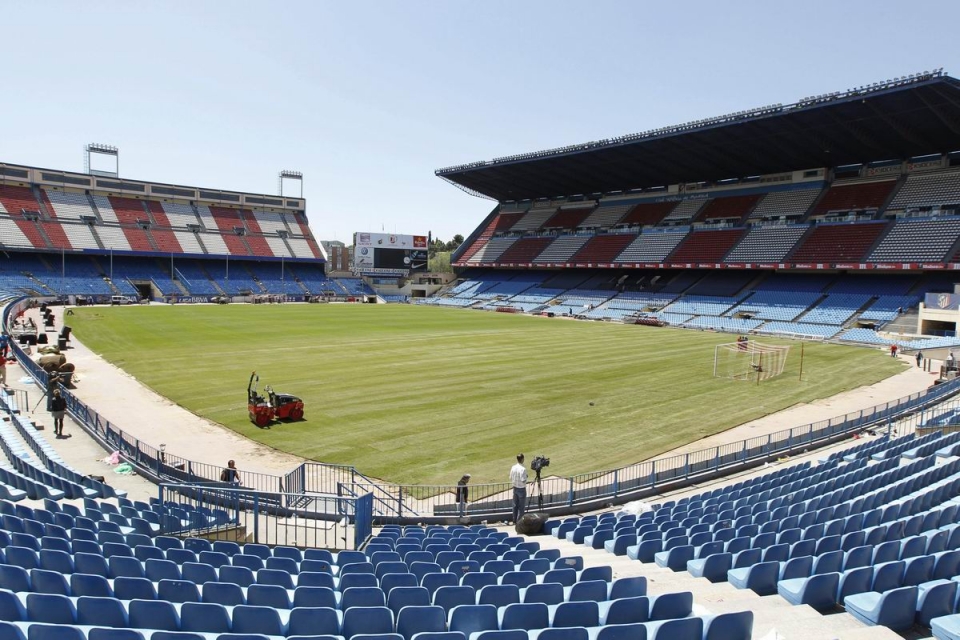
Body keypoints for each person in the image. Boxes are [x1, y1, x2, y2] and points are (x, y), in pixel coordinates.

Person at [510, 454, 528, 524]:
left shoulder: (513, 467)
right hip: (521, 489)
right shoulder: (523, 469)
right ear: (522, 459)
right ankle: (519, 522)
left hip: (515, 488)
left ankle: (514, 520)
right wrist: (526, 477)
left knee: (515, 505)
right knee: (521, 507)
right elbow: (523, 479)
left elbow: (510, 477)